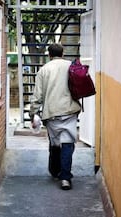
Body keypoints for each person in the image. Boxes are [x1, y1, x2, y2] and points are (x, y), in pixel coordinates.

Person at [29, 43, 81, 190]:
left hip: (51, 113)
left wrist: (33, 113)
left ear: (49, 55)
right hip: (70, 111)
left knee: (55, 143)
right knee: (68, 143)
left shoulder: (44, 70)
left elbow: (37, 95)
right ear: (63, 53)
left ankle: (54, 171)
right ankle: (65, 177)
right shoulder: (71, 66)